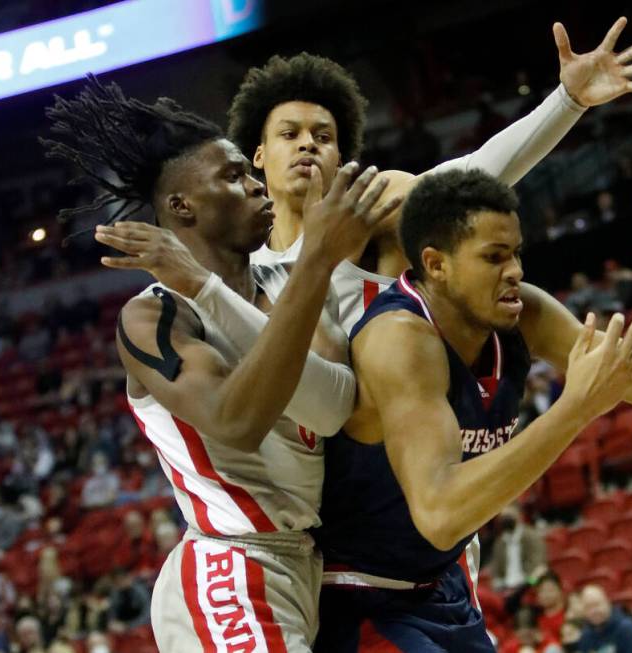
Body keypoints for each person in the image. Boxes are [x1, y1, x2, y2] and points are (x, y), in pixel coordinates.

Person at [313, 169, 632, 651]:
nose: (514, 270)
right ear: (436, 264)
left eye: (515, 253)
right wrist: (574, 408)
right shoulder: (399, 340)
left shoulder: (521, 313)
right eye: (493, 257)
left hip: (435, 586)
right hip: (360, 596)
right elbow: (440, 511)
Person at [42, 79, 390, 651]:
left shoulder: (289, 286)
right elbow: (235, 421)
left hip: (306, 565)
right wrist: (312, 262)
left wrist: (311, 264)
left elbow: (331, 409)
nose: (258, 185)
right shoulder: (152, 318)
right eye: (234, 177)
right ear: (183, 207)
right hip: (229, 564)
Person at [228, 20, 632, 335]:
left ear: (340, 155)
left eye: (323, 136)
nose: (308, 144)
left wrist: (568, 101)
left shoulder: (373, 206)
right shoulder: (243, 262)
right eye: (290, 134)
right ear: (259, 154)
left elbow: (478, 170)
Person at [489, 503, 546, 592]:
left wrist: (529, 582)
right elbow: (496, 570)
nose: (506, 520)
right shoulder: (499, 542)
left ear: (519, 515)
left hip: (528, 582)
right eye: (503, 517)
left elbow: (538, 563)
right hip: (506, 586)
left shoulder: (531, 536)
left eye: (509, 516)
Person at [577, 584, 632, 652]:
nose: (594, 611)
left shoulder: (626, 629)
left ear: (607, 602)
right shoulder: (586, 636)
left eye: (597, 605)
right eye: (588, 607)